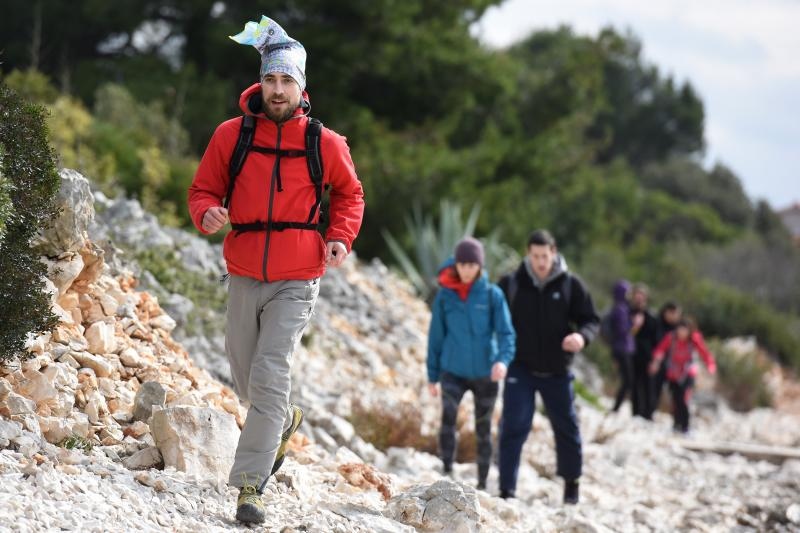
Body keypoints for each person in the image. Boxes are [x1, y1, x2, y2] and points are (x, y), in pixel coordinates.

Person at [187, 15, 364, 524]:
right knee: (247, 378)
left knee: (269, 374)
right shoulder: (231, 136)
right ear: (259, 82)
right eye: (271, 79)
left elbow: (350, 194)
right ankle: (281, 421)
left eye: (287, 80)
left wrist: (339, 237)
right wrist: (208, 213)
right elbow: (201, 191)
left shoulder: (325, 143)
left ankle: (249, 487)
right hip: (243, 272)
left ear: (302, 86)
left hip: (298, 278)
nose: (278, 89)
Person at [497, 230, 600, 504]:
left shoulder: (570, 285)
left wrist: (581, 337)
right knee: (513, 426)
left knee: (566, 427)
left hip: (558, 371)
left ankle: (571, 486)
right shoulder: (512, 283)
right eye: (535, 256)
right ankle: (507, 491)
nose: (541, 261)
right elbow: (494, 316)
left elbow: (591, 320)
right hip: (520, 367)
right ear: (528, 254)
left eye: (545, 256)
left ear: (554, 252)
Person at [427, 237, 516, 490]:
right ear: (456, 264)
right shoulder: (445, 296)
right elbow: (436, 337)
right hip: (452, 371)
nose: (466, 269)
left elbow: (506, 333)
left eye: (472, 264)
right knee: (448, 418)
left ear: (480, 266)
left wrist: (503, 361)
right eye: (462, 264)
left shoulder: (492, 295)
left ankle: (483, 482)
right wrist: (432, 376)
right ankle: (446, 470)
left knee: (483, 428)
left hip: (486, 374)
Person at [649, 318, 716, 433]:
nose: (682, 333)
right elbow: (660, 350)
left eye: (684, 330)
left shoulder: (694, 339)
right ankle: (676, 425)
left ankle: (685, 427)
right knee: (675, 400)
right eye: (680, 329)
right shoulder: (671, 337)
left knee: (684, 399)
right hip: (673, 373)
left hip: (688, 373)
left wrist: (710, 366)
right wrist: (655, 363)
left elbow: (704, 353)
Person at [629, 284, 659, 419]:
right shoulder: (627, 313)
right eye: (637, 294)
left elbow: (657, 339)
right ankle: (636, 413)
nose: (639, 298)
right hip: (632, 354)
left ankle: (648, 414)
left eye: (641, 295)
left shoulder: (652, 316)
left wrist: (655, 359)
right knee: (634, 384)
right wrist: (635, 326)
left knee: (648, 385)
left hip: (648, 355)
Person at [609, 280, 636, 413]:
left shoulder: (621, 307)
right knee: (628, 380)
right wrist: (634, 324)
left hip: (622, 348)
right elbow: (622, 330)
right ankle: (616, 407)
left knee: (627, 380)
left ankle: (617, 407)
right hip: (622, 349)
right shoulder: (621, 309)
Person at [651, 301, 682, 416]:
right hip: (657, 361)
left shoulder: (680, 328)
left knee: (677, 392)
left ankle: (677, 418)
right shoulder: (657, 323)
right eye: (672, 312)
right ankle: (650, 412)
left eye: (677, 313)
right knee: (654, 388)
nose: (674, 316)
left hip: (675, 364)